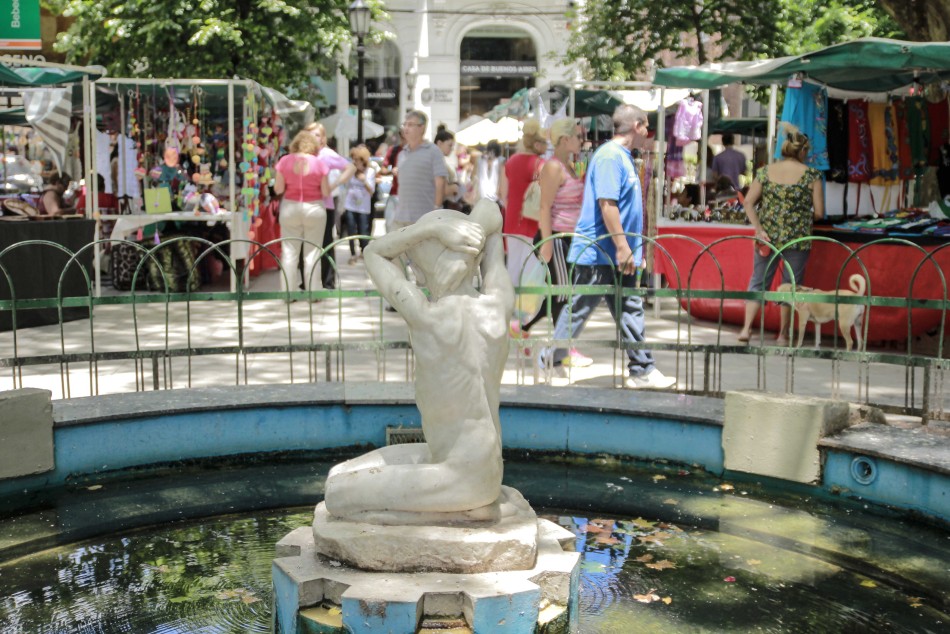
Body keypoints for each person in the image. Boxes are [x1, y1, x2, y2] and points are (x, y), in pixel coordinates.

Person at [323, 200, 514, 521]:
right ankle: (461, 504)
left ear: (418, 269)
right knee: (342, 471)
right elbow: (492, 209)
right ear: (476, 256)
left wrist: (429, 229)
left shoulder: (425, 315)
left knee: (336, 492)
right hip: (486, 466)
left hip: (461, 477)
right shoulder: (498, 302)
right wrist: (467, 248)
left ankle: (452, 508)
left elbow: (374, 253)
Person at [538, 104, 676, 390]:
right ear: (636, 125)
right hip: (599, 252)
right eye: (646, 126)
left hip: (614, 253)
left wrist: (629, 250)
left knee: (629, 307)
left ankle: (642, 369)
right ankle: (548, 361)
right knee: (580, 308)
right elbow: (607, 204)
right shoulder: (610, 157)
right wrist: (624, 247)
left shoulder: (621, 157)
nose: (648, 132)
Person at [513, 118, 591, 366]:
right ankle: (563, 350)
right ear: (565, 140)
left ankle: (522, 326)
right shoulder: (553, 167)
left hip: (568, 238)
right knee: (563, 294)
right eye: (578, 137)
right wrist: (547, 243)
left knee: (560, 292)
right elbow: (545, 206)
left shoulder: (569, 166)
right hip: (556, 237)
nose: (582, 141)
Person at [738, 123, 825, 344]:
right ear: (802, 151)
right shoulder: (812, 175)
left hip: (767, 238)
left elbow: (748, 202)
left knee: (758, 281)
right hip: (798, 239)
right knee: (790, 285)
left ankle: (746, 330)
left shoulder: (766, 171)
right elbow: (820, 212)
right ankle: (783, 334)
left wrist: (759, 228)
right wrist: (803, 216)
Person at [273, 130, 331, 296]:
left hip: (290, 207)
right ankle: (313, 292)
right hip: (314, 208)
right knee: (313, 252)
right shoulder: (319, 163)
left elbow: (279, 188)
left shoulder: (284, 161)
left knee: (289, 252)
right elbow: (326, 192)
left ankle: (288, 293)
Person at [304, 122, 351, 290]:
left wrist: (335, 184)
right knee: (306, 243)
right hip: (306, 205)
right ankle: (307, 281)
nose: (313, 138)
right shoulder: (304, 154)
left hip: (325, 205)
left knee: (325, 243)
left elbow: (349, 167)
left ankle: (328, 281)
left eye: (316, 134)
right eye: (310, 134)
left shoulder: (327, 154)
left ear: (323, 138)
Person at [503, 118, 547, 291]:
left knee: (513, 263)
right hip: (532, 218)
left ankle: (510, 303)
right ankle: (529, 307)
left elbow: (503, 193)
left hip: (512, 218)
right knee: (530, 262)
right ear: (537, 144)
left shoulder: (511, 161)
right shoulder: (540, 164)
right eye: (545, 143)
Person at [390, 110, 447, 229]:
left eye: (410, 124)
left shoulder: (433, 151)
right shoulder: (402, 154)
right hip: (400, 218)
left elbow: (440, 183)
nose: (405, 128)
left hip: (424, 219)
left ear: (422, 128)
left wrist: (436, 211)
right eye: (404, 124)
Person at [338, 144, 376, 264]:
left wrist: (363, 180)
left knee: (363, 229)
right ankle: (353, 254)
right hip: (350, 205)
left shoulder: (370, 171)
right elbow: (343, 183)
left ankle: (364, 252)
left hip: (363, 207)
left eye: (357, 160)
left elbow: (371, 191)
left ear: (363, 160)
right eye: (353, 159)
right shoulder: (351, 170)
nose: (355, 162)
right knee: (350, 228)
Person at [435, 126, 467, 212]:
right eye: (449, 145)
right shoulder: (437, 160)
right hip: (435, 208)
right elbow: (443, 190)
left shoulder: (436, 159)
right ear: (439, 143)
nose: (452, 149)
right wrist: (455, 188)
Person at [476, 139, 505, 204]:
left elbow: (476, 177)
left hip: (483, 194)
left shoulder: (481, 160)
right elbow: (502, 178)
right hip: (494, 195)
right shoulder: (500, 161)